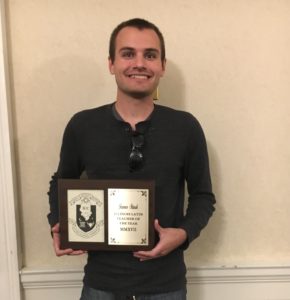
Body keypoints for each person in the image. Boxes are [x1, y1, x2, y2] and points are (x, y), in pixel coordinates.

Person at [47, 18, 216, 300]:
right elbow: (61, 182)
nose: (139, 63)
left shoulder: (186, 128)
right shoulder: (82, 126)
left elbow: (203, 196)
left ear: (162, 65)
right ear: (111, 63)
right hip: (101, 283)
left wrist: (184, 233)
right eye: (128, 54)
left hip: (166, 283)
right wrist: (58, 222)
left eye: (150, 55)